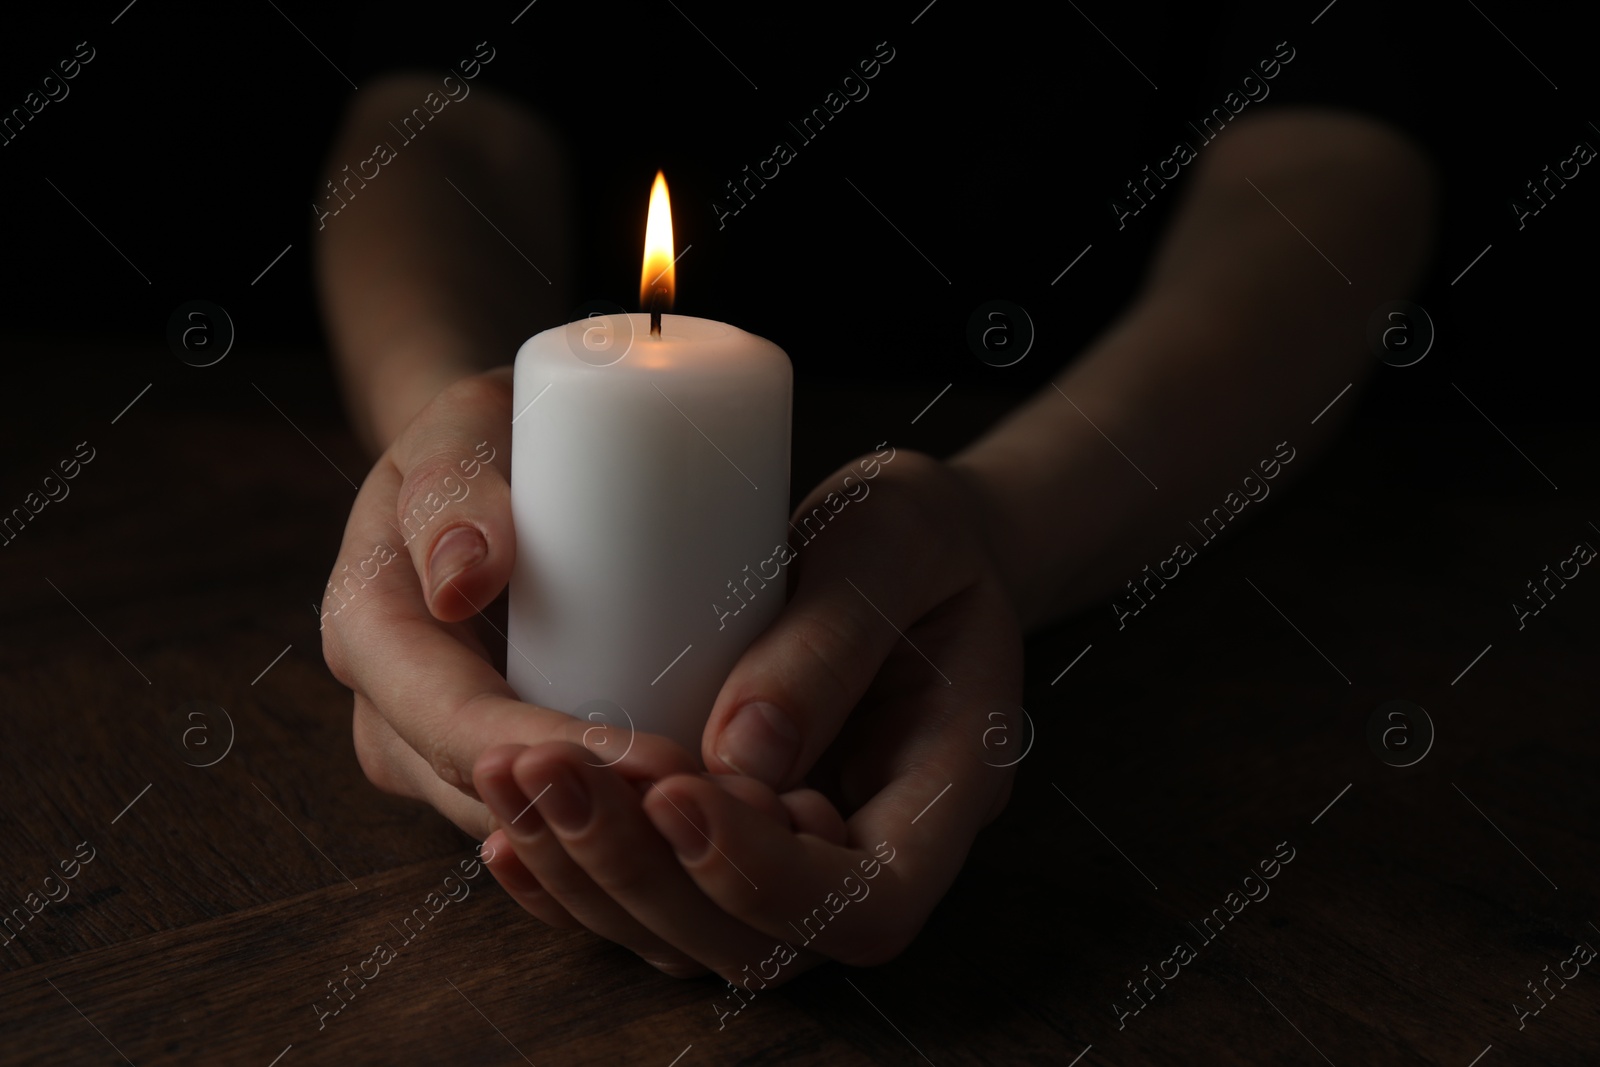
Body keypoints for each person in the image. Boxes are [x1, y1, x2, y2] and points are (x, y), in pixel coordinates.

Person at [316, 2, 1435, 984]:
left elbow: (1327, 167)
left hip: (1134, 479)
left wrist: (997, 526)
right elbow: (442, 121)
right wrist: (445, 441)